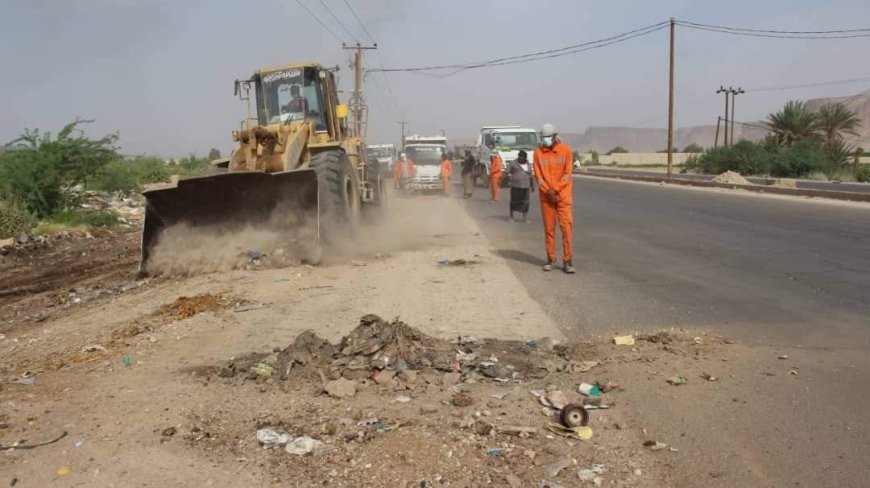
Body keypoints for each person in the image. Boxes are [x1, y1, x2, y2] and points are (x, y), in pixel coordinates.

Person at [533, 123, 575, 274]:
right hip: (546, 198)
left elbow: (567, 173)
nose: (545, 140)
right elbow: (538, 176)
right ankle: (550, 259)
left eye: (548, 137)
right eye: (543, 138)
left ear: (555, 136)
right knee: (549, 230)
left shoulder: (566, 151)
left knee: (566, 229)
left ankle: (568, 261)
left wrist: (555, 190)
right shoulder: (537, 153)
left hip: (563, 197)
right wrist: (547, 191)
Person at [508, 150, 535, 222]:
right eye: (519, 156)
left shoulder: (528, 164)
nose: (521, 158)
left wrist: (533, 185)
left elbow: (531, 176)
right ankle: (511, 216)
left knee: (525, 202)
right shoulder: (513, 163)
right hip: (516, 186)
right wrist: (501, 180)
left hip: (525, 187)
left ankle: (525, 218)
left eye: (522, 157)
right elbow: (507, 172)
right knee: (514, 201)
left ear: (525, 158)